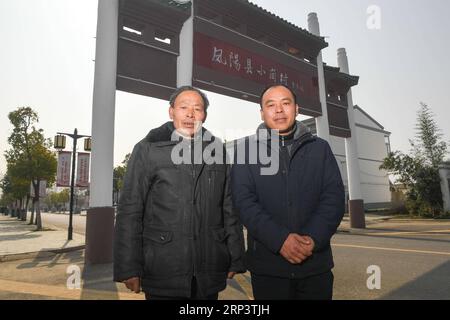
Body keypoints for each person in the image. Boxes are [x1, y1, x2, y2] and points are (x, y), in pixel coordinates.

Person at [113, 86, 245, 300]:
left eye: (197, 109)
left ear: (205, 115)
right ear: (171, 111)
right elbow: (130, 209)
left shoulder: (217, 150)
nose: (190, 114)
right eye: (183, 107)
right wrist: (128, 267)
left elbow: (228, 207)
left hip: (208, 269)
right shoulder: (148, 149)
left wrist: (235, 257)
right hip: (162, 267)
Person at [231, 84, 345, 300]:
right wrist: (280, 240)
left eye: (286, 103)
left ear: (297, 109)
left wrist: (312, 239)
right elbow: (243, 202)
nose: (279, 110)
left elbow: (334, 198)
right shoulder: (246, 151)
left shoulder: (320, 148)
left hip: (315, 266)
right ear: (262, 112)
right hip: (268, 269)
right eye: (271, 105)